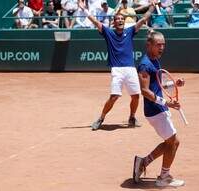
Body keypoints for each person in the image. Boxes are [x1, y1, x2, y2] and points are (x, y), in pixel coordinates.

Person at [78, 0, 157, 130]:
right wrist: (83, 9)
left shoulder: (130, 31)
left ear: (124, 22)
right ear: (114, 22)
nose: (120, 20)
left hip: (131, 69)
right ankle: (101, 118)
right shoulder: (108, 33)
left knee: (136, 96)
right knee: (114, 96)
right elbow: (95, 21)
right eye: (118, 19)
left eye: (122, 19)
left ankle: (132, 117)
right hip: (117, 70)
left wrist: (152, 7)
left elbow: (143, 19)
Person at [133, 29, 185, 187]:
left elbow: (159, 86)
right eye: (158, 45)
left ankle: (143, 162)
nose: (162, 48)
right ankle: (164, 176)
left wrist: (173, 84)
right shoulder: (145, 64)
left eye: (163, 45)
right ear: (149, 45)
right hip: (154, 110)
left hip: (160, 108)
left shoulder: (155, 60)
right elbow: (145, 91)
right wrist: (167, 103)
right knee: (174, 142)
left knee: (170, 142)